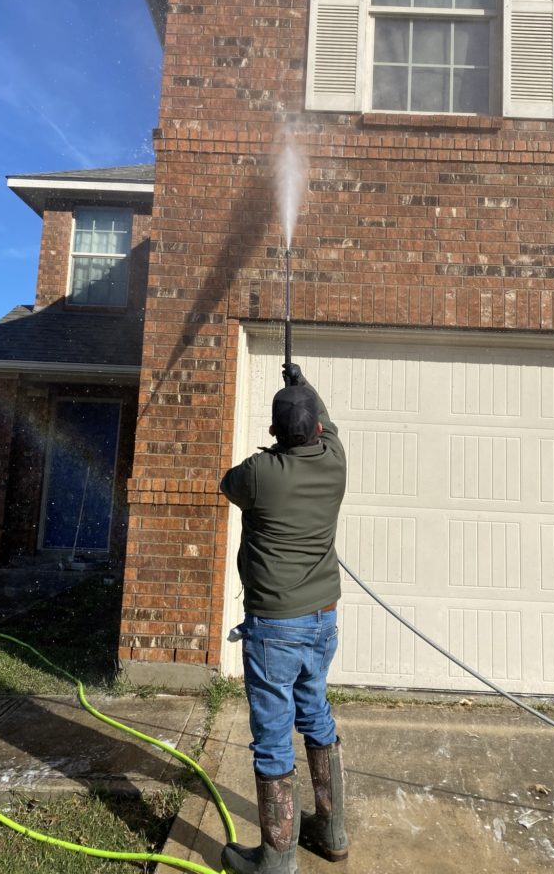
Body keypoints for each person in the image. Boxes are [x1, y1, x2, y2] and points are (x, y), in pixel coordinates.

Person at [219, 362, 348, 874]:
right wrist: (304, 384)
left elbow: (226, 483)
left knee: (273, 738)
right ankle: (332, 830)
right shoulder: (335, 461)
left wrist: (276, 438)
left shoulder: (260, 474)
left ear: (275, 432)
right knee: (316, 714)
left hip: (275, 628)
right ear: (316, 428)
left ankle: (277, 859)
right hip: (323, 621)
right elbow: (330, 424)